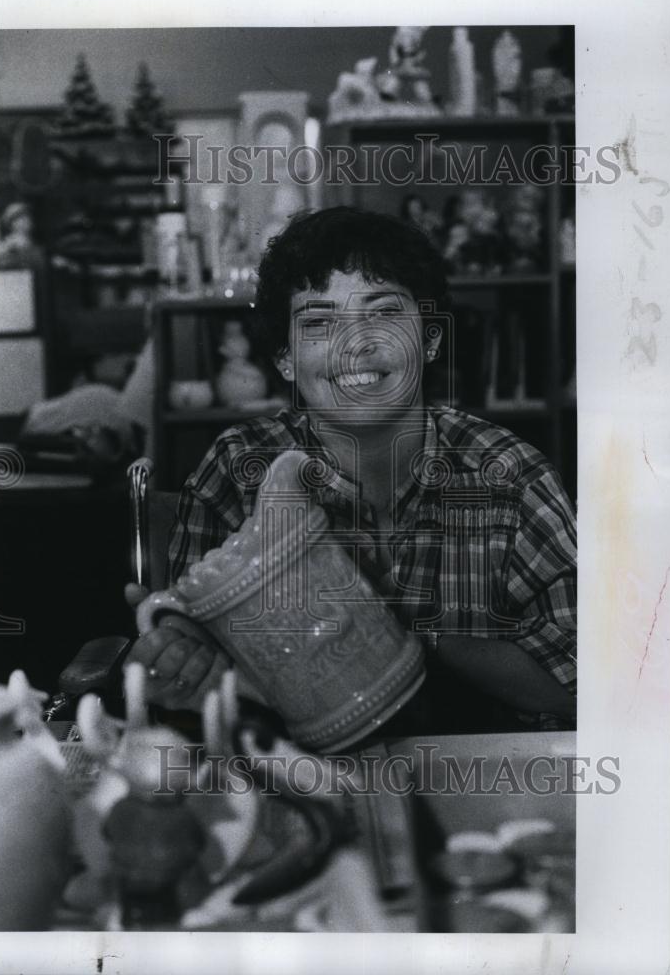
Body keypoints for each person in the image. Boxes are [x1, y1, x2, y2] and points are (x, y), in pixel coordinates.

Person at [126, 206, 576, 734]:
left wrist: (390, 625)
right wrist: (180, 658)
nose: (354, 344)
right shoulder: (238, 469)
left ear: (430, 339)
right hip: (299, 784)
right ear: (285, 359)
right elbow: (198, 676)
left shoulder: (509, 475)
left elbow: (591, 687)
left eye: (383, 312)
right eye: (318, 321)